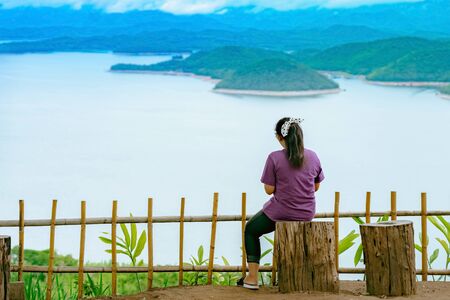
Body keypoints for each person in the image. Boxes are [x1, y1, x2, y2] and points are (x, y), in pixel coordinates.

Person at [240, 117, 325, 290]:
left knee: (250, 230)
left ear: (280, 137)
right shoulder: (313, 156)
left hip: (280, 212)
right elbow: (316, 186)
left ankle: (252, 277)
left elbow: (269, 190)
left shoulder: (274, 158)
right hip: (306, 212)